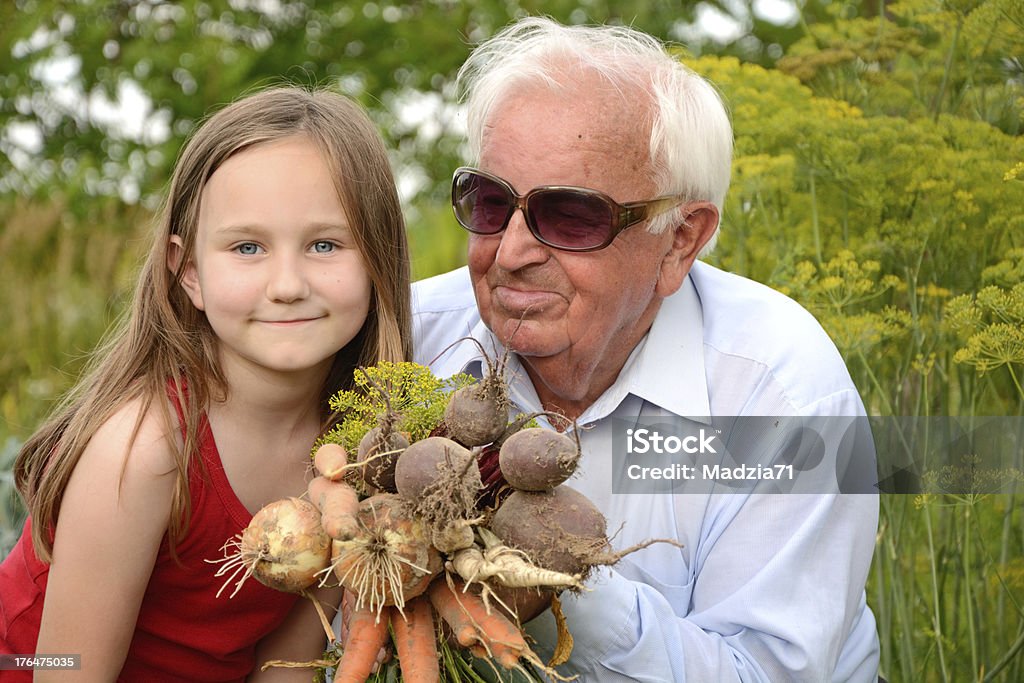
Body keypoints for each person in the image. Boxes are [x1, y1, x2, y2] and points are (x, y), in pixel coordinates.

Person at [413, 17, 881, 682]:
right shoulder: (408, 334)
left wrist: (555, 579)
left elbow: (763, 671)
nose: (511, 253)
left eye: (570, 215)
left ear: (680, 240)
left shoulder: (783, 396)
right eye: (489, 202)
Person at [0, 86, 411, 681]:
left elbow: (287, 667)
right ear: (189, 271)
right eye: (248, 247)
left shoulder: (351, 452)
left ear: (378, 260)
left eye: (325, 244)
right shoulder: (145, 453)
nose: (288, 284)